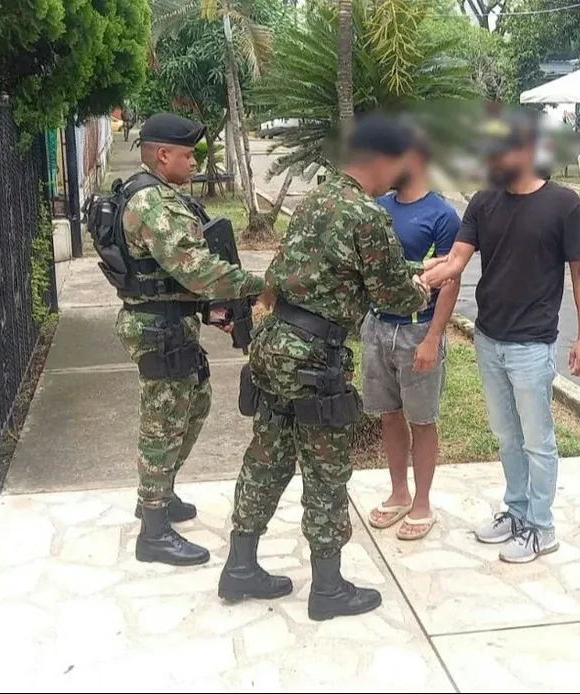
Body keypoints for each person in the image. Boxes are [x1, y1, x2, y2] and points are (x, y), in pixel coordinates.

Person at [219, 115, 430, 621]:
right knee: (326, 468)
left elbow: (288, 273)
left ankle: (241, 564)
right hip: (314, 359)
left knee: (267, 456)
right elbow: (391, 292)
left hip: (274, 349)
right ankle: (329, 588)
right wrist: (423, 285)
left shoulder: (315, 199)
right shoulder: (366, 214)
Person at [421, 111, 580, 564]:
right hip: (489, 337)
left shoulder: (564, 204)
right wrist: (430, 273)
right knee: (506, 435)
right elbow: (457, 259)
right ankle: (517, 512)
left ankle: (542, 527)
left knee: (538, 439)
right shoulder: (484, 202)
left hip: (533, 343)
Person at [106, 113, 266, 567]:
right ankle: (152, 530)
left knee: (193, 404)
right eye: (187, 155)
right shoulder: (153, 203)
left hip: (170, 320)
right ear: (162, 155)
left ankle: (161, 493)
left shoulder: (158, 195)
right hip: (157, 327)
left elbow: (170, 276)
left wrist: (208, 312)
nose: (195, 162)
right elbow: (196, 270)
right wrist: (258, 283)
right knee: (163, 420)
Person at [364, 131, 461, 541]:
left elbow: (451, 280)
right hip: (376, 326)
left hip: (417, 326)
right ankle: (399, 492)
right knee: (389, 414)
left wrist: (432, 338)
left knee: (422, 419)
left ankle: (422, 501)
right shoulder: (378, 207)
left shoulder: (443, 215)